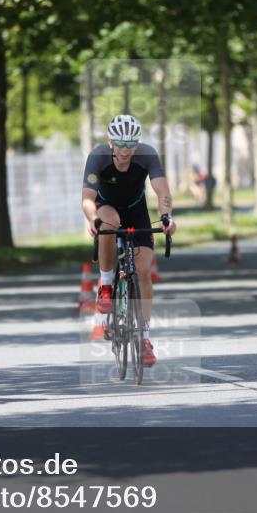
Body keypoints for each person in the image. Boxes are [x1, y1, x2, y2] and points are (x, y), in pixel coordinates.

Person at [81, 114, 177, 367]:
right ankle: (105, 285)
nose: (126, 150)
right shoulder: (98, 156)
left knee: (144, 272)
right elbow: (88, 198)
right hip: (106, 208)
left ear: (138, 143)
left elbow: (162, 190)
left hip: (137, 210)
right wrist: (92, 219)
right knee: (109, 222)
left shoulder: (147, 154)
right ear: (110, 141)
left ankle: (144, 338)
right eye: (120, 144)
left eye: (131, 144)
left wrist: (166, 216)